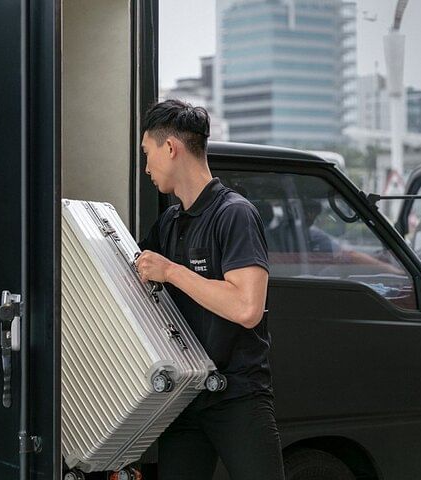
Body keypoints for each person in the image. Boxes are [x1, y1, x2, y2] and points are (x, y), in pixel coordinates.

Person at [135, 99, 284, 480]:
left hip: (237, 396)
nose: (146, 167)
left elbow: (246, 307)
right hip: (184, 395)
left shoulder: (234, 214)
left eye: (147, 153)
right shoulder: (170, 222)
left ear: (171, 148)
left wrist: (172, 271)